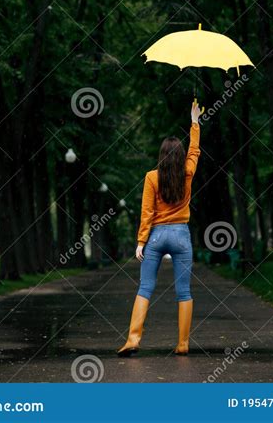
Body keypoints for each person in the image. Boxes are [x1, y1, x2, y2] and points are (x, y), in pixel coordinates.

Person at [117, 100, 202, 357]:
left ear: (161, 156)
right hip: (181, 236)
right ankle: (183, 343)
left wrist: (141, 241)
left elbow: (147, 212)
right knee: (184, 290)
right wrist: (194, 121)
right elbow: (194, 151)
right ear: (179, 156)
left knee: (145, 287)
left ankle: (133, 340)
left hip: (156, 237)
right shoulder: (187, 172)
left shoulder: (151, 177)